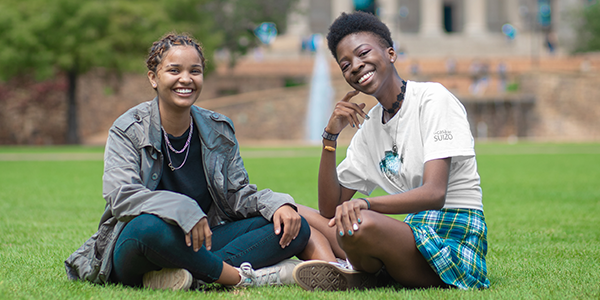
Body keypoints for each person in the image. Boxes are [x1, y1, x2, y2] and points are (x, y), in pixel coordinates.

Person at [64, 33, 310, 291]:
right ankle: (237, 277)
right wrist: (180, 207)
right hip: (142, 244)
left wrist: (276, 205)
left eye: (195, 71)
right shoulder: (128, 129)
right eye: (174, 70)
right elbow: (121, 196)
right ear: (153, 78)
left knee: (294, 227)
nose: (186, 79)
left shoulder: (218, 130)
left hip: (199, 240)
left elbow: (237, 194)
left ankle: (184, 277)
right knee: (148, 227)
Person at [293, 12, 490, 291]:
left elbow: (435, 193)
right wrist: (330, 137)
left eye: (363, 54)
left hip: (452, 236)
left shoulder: (433, 99)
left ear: (391, 54)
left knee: (362, 224)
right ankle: (348, 269)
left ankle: (357, 269)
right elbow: (329, 209)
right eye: (346, 65)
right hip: (410, 235)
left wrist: (368, 204)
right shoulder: (371, 125)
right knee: (293, 210)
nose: (357, 67)